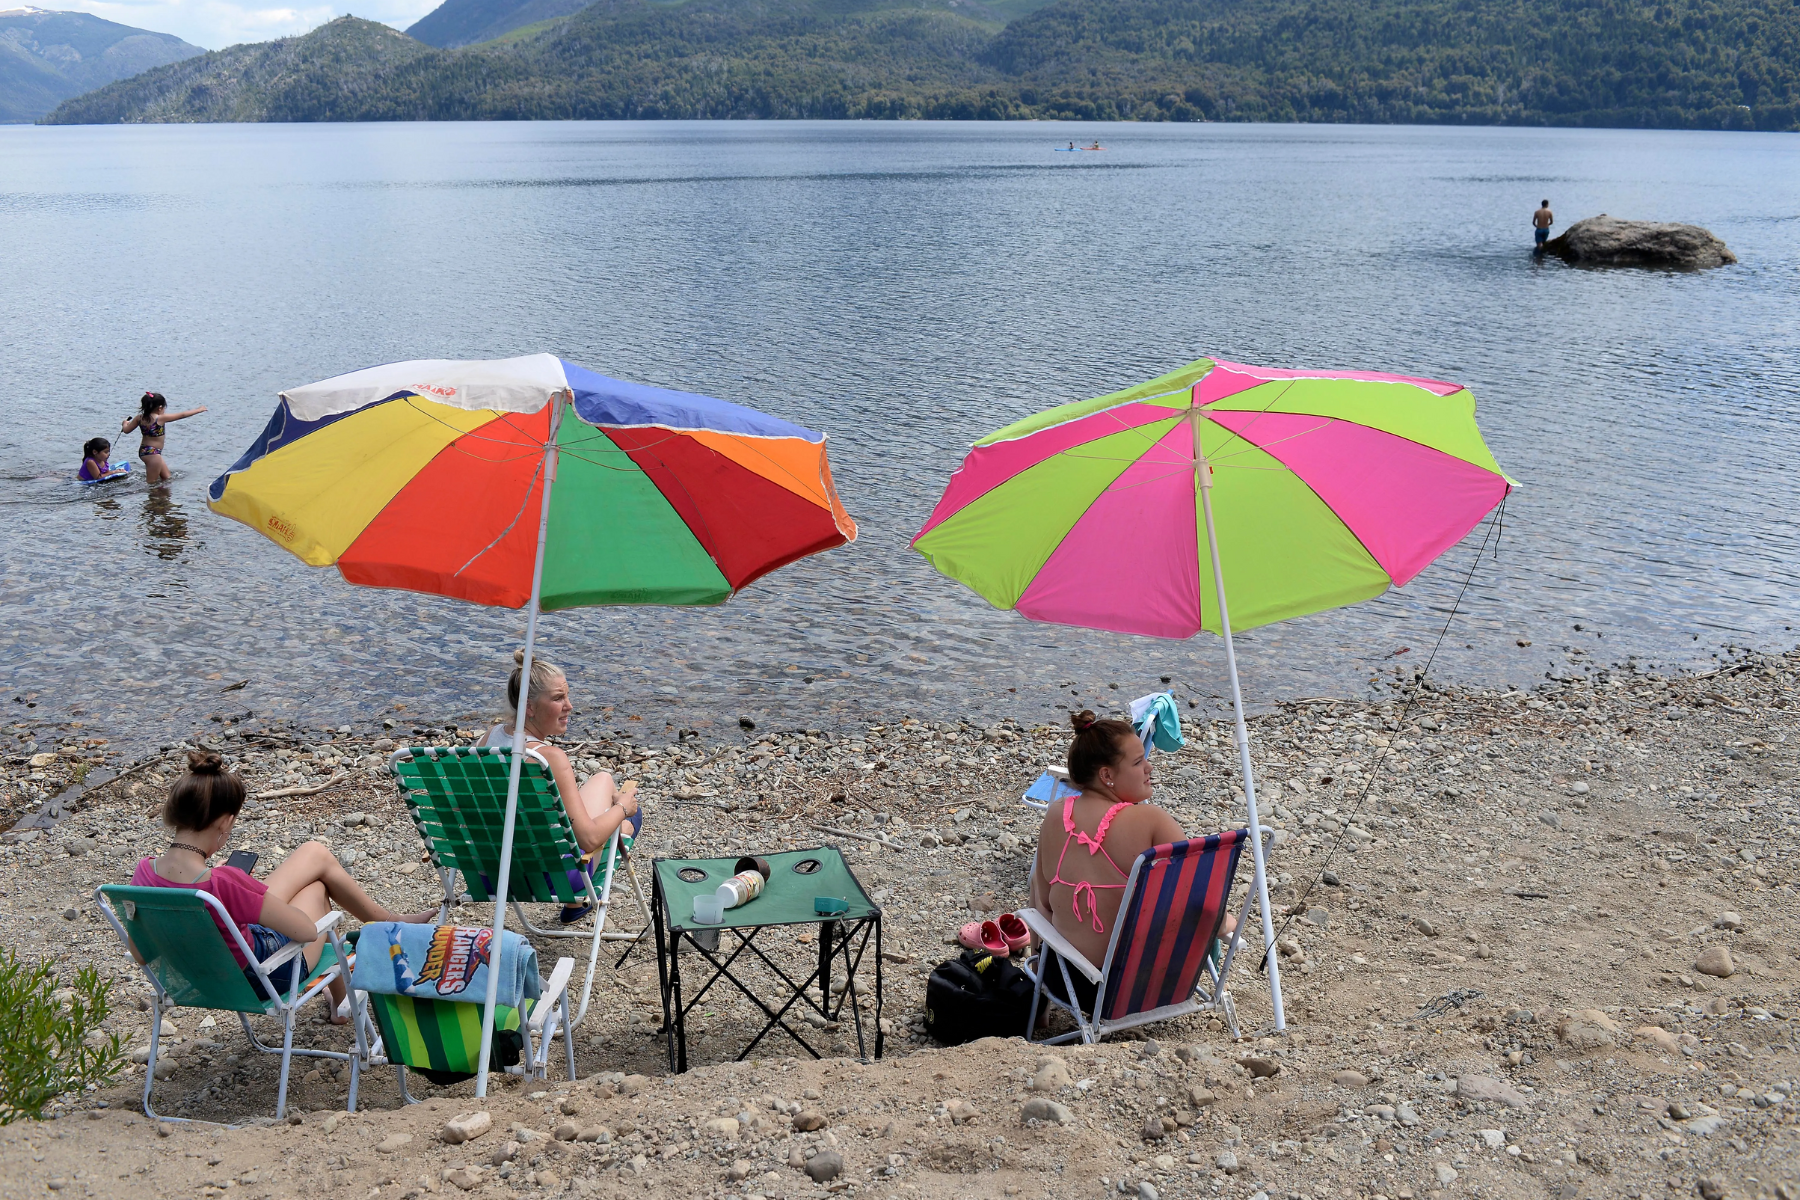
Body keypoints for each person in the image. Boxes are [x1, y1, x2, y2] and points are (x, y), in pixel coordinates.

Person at [127, 750, 435, 1019]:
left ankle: (382, 933)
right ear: (224, 823)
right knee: (316, 892)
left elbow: (140, 954)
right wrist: (242, 888)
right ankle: (346, 999)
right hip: (265, 976)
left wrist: (240, 892)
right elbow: (306, 931)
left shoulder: (143, 875)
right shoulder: (223, 883)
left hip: (202, 976)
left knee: (314, 854)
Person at [1028, 710, 1234, 1013]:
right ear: (1106, 775)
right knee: (1202, 919)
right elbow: (1203, 904)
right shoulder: (1151, 820)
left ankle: (1040, 1008)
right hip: (1142, 989)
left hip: (1068, 985)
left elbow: (1044, 901)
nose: (1149, 767)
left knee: (1038, 887)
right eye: (1138, 762)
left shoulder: (1057, 814)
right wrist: (1227, 924)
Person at [478, 649, 641, 924]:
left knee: (601, 778)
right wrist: (623, 809)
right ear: (529, 707)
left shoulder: (487, 741)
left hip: (490, 875)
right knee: (627, 814)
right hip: (551, 878)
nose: (570, 706)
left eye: (566, 696)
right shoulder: (548, 758)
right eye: (558, 698)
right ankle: (580, 890)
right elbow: (588, 841)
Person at [121, 391, 206, 484]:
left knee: (167, 478)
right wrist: (199, 410)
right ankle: (152, 497)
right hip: (153, 454)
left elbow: (126, 430)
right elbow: (182, 415)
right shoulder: (160, 418)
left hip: (145, 451)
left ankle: (163, 497)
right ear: (160, 408)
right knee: (151, 484)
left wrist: (124, 424)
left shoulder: (139, 418)